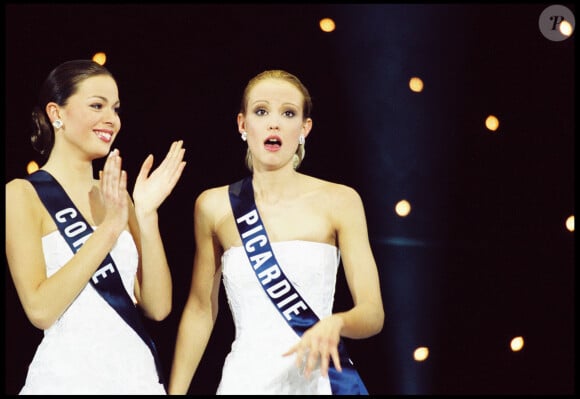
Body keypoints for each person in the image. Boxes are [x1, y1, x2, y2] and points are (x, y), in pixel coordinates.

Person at [168, 69, 384, 395]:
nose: (274, 123)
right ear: (243, 125)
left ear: (304, 128)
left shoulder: (341, 200)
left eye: (288, 113)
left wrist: (336, 323)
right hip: (245, 381)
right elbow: (200, 310)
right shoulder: (213, 206)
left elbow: (373, 312)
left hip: (318, 380)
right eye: (261, 111)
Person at [5, 59, 186, 394]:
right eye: (96, 105)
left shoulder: (116, 196)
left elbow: (158, 307)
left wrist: (146, 215)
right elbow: (40, 310)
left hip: (136, 378)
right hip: (66, 380)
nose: (111, 119)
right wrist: (107, 231)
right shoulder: (22, 194)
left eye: (115, 108)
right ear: (56, 113)